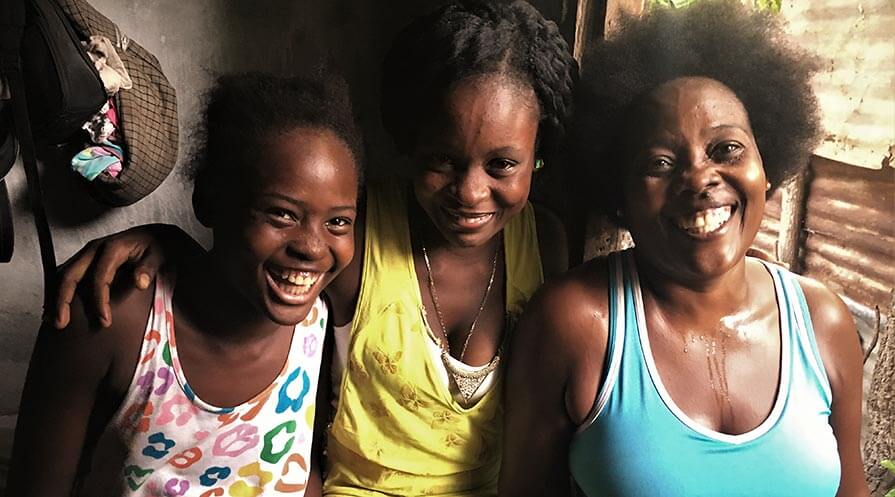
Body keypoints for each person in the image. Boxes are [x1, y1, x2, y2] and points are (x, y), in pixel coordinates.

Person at [48, 1, 578, 495]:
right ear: (410, 140)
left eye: (502, 164)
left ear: (540, 154)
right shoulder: (358, 231)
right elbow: (257, 267)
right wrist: (165, 245)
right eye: (443, 159)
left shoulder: (546, 246)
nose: (469, 192)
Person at [498, 2, 869, 496]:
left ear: (767, 164)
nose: (698, 179)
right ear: (621, 197)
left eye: (726, 149)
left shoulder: (822, 321)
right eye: (659, 162)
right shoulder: (577, 324)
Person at [7, 72, 364, 496]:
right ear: (208, 201)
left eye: (338, 221)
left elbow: (298, 469)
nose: (311, 247)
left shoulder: (318, 323)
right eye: (282, 214)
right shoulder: (108, 315)